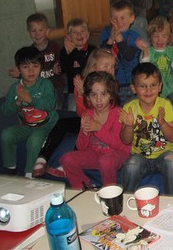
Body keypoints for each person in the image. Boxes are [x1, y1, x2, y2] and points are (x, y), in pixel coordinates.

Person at [40, 49, 117, 178]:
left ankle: (70, 165)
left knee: (85, 127)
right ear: (93, 67)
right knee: (63, 123)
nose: (110, 70)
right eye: (106, 66)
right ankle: (42, 158)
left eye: (113, 67)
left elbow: (106, 110)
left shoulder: (111, 85)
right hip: (86, 117)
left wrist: (83, 95)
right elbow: (81, 113)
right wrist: (81, 96)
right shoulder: (82, 82)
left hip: (105, 121)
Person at [60, 72, 130, 189]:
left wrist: (98, 129)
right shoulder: (88, 114)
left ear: (111, 95)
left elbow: (120, 144)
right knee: (66, 159)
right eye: (93, 95)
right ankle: (84, 187)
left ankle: (110, 192)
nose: (98, 100)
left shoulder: (118, 114)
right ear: (88, 97)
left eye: (103, 94)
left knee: (105, 161)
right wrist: (85, 133)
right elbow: (81, 147)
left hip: (117, 154)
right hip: (96, 154)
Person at [119, 62, 173, 195]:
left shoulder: (165, 105)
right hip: (140, 157)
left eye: (153, 85)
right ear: (134, 88)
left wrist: (163, 123)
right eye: (143, 86)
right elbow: (125, 140)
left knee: (172, 160)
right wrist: (129, 125)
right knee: (131, 164)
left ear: (160, 86)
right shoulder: (129, 108)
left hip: (163, 155)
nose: (148, 90)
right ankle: (125, 198)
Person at [1, 46, 59, 178]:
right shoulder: (15, 88)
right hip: (26, 125)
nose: (31, 71)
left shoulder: (45, 84)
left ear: (41, 67)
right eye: (26, 67)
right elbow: (5, 110)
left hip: (47, 124)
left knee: (34, 140)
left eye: (35, 66)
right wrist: (18, 102)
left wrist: (31, 99)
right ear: (19, 69)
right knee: (6, 135)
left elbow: (50, 105)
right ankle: (10, 168)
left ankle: (29, 173)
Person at [8, 13, 64, 110]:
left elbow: (64, 62)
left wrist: (59, 66)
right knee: (32, 108)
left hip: (55, 85)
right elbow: (27, 72)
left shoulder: (56, 47)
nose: (37, 34)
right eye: (33, 31)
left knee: (56, 107)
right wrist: (19, 74)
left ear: (47, 31)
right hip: (37, 88)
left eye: (41, 30)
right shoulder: (30, 52)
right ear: (29, 33)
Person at [137, 16, 173, 111]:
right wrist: (145, 51)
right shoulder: (149, 52)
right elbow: (144, 67)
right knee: (157, 110)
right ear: (150, 37)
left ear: (168, 38)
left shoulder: (171, 50)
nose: (160, 40)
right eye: (156, 36)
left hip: (171, 87)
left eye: (164, 36)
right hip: (155, 90)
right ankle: (164, 103)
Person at [99, 0, 142, 104]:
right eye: (115, 19)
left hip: (130, 84)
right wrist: (110, 38)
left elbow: (128, 56)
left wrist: (118, 39)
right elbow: (101, 55)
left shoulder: (134, 36)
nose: (118, 22)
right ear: (111, 20)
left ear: (131, 18)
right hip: (110, 82)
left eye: (122, 18)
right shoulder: (106, 33)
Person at [60, 18, 97, 112]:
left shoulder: (93, 50)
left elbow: (88, 67)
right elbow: (65, 69)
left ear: (88, 34)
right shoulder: (65, 51)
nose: (79, 35)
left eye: (82, 31)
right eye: (75, 32)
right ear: (68, 36)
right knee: (72, 110)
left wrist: (74, 52)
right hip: (73, 90)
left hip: (91, 89)